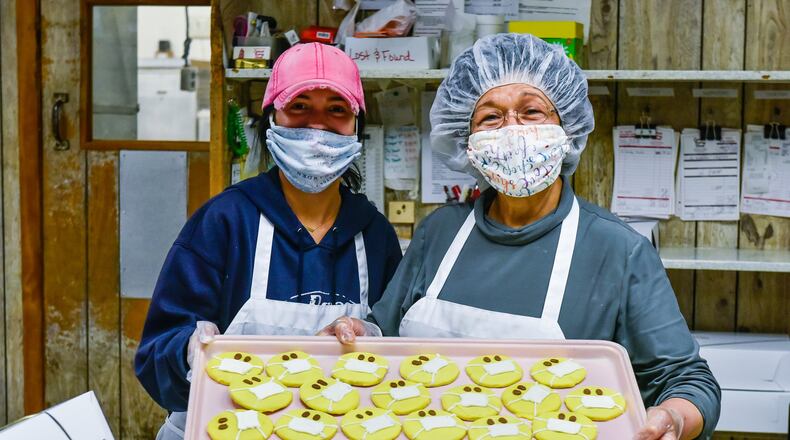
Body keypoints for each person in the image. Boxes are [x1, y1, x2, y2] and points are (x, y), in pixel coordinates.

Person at [321, 34, 720, 439]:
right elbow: (382, 335)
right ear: (467, 142)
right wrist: (357, 332)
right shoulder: (441, 231)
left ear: (566, 127)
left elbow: (688, 381)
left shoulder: (617, 250)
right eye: (491, 118)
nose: (512, 130)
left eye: (531, 112)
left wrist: (672, 417)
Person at [135, 43, 402, 440]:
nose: (317, 126)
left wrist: (373, 338)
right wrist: (189, 352)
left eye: (336, 109)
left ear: (356, 124)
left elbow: (399, 358)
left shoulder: (374, 233)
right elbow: (156, 355)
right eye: (299, 107)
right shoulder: (224, 222)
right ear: (271, 119)